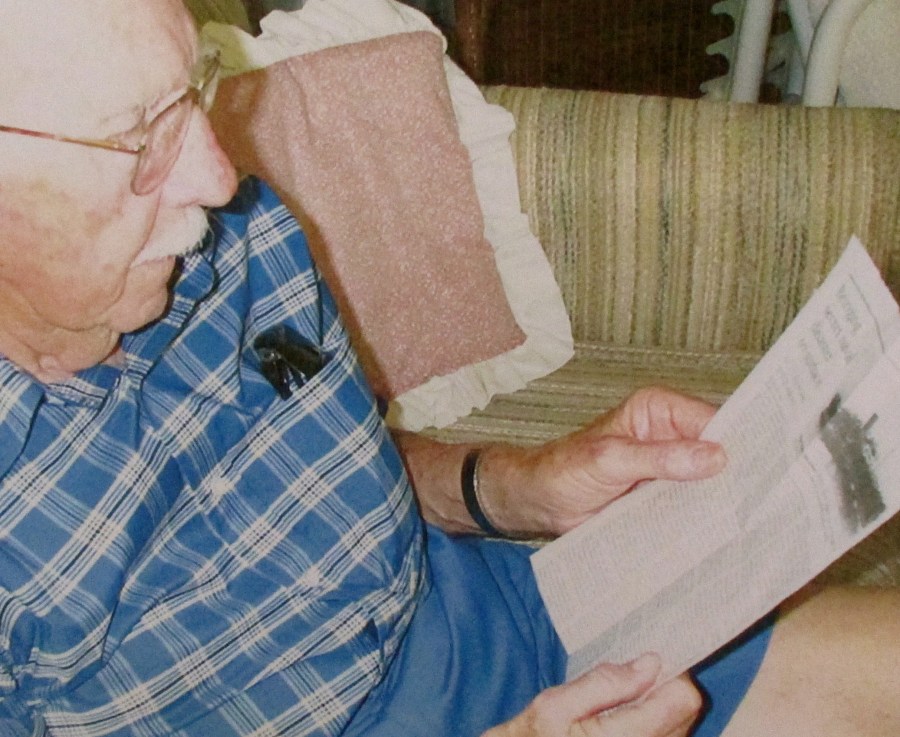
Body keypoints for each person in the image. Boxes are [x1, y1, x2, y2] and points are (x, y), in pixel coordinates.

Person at [1, 2, 898, 736]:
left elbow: (337, 456)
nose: (216, 174)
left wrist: (516, 486)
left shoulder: (232, 235)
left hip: (489, 619)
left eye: (191, 88)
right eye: (141, 139)